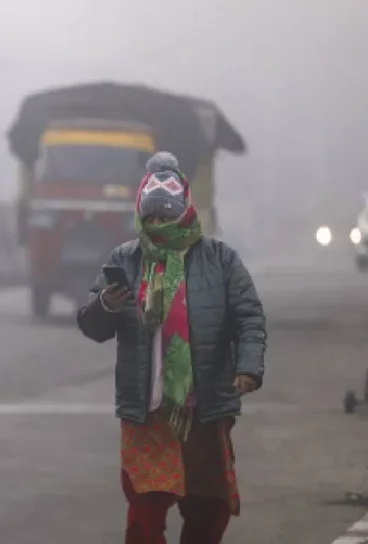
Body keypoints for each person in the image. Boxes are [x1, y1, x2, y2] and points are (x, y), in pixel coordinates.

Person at [77, 152, 267, 544]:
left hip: (204, 407)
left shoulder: (221, 259)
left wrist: (248, 368)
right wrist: (107, 304)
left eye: (167, 216)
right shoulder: (124, 260)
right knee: (144, 512)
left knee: (207, 508)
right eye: (151, 218)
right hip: (149, 413)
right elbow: (92, 326)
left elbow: (248, 317)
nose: (159, 225)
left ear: (184, 213)